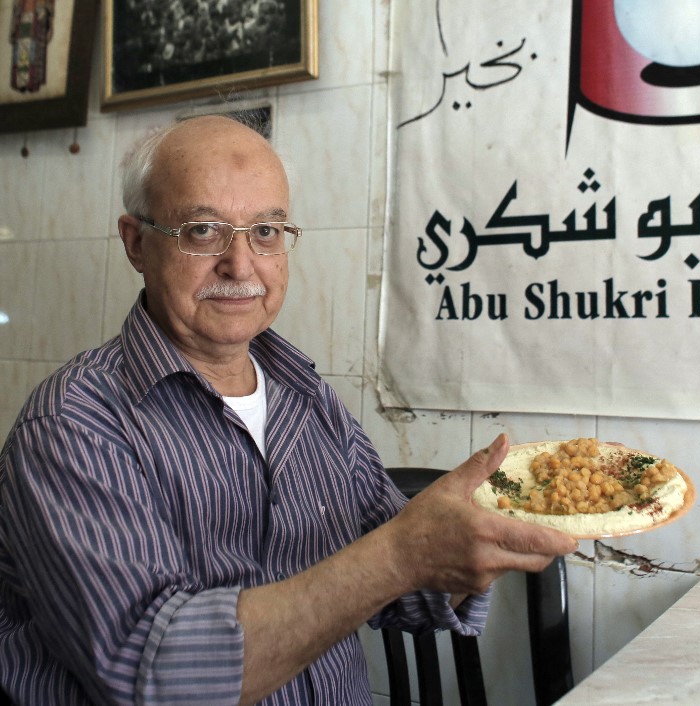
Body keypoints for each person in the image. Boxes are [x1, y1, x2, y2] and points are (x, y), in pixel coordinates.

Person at [0, 115, 577, 705]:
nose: (241, 265)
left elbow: (404, 587)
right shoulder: (74, 426)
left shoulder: (307, 398)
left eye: (268, 231)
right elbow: (157, 679)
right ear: (135, 242)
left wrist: (477, 534)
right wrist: (402, 554)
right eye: (202, 230)